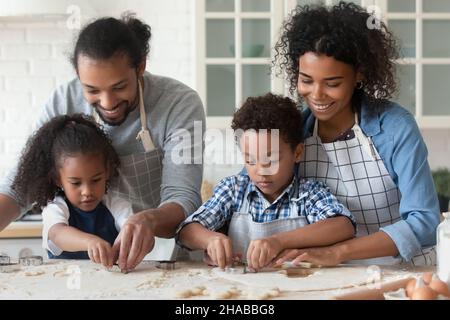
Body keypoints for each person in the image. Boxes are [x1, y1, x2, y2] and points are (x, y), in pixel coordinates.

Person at [0, 13, 205, 272]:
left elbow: (183, 197)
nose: (107, 103)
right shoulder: (63, 101)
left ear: (140, 66)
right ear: (78, 74)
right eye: (93, 90)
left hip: (163, 261)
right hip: (85, 267)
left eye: (119, 87)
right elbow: (20, 186)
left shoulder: (179, 104)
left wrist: (148, 220)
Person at [273, 1, 440, 266]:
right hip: (327, 272)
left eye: (333, 83)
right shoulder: (293, 132)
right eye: (306, 80)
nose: (316, 95)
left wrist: (337, 252)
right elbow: (251, 185)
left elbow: (424, 221)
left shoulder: (395, 128)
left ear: (359, 74)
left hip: (402, 270)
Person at [177, 93, 356, 270]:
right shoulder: (233, 190)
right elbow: (186, 232)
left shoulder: (309, 193)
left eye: (271, 161)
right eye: (250, 161)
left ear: (297, 153)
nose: (261, 171)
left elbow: (343, 225)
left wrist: (278, 241)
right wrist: (210, 239)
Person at [12, 114, 132, 268]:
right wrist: (91, 242)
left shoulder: (116, 205)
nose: (87, 191)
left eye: (95, 180)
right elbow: (58, 234)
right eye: (76, 183)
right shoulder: (56, 207)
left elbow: (131, 228)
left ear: (107, 172)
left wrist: (133, 238)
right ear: (58, 179)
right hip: (64, 281)